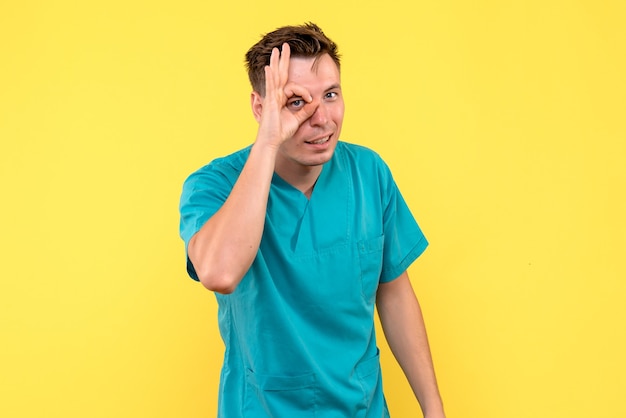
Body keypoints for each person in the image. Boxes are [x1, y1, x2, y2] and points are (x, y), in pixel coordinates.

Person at [179, 22, 445, 418]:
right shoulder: (215, 184)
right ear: (260, 107)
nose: (322, 119)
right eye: (296, 102)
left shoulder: (368, 172)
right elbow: (219, 272)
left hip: (363, 408)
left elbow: (393, 292)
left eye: (331, 95)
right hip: (262, 407)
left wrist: (433, 408)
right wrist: (268, 140)